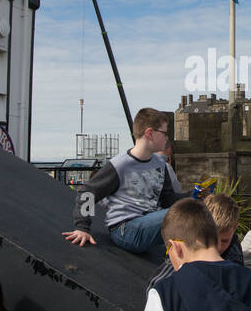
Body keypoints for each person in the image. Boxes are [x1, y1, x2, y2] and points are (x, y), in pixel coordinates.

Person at [63, 107, 190, 262]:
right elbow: (88, 192)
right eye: (164, 133)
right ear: (150, 133)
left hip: (147, 225)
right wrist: (82, 227)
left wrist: (194, 196)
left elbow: (168, 199)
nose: (167, 138)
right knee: (184, 214)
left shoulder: (160, 165)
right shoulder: (121, 165)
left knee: (196, 210)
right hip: (124, 229)